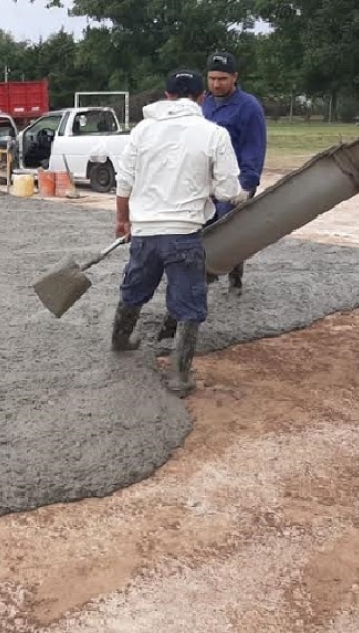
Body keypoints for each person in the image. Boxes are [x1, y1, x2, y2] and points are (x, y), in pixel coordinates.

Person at [111, 69, 244, 397]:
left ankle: (121, 340)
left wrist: (123, 221)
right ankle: (179, 374)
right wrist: (231, 191)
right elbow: (228, 190)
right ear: (202, 97)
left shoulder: (142, 130)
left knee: (135, 287)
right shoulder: (213, 133)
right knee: (189, 302)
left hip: (144, 233)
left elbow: (124, 182)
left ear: (167, 95)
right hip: (184, 234)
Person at [200, 51, 267, 293]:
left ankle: (233, 276)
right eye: (212, 78)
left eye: (222, 79)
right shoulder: (203, 104)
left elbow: (254, 148)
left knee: (228, 233)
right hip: (205, 182)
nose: (216, 84)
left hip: (233, 183)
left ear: (234, 77)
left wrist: (247, 186)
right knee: (202, 232)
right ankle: (200, 282)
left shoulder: (248, 107)